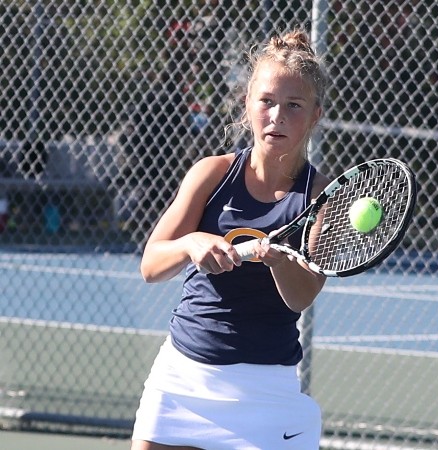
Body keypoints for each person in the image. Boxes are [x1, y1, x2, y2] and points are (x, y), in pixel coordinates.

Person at [131, 29, 330, 450]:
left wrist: (278, 260)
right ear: (247, 103)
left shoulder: (318, 197)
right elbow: (151, 266)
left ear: (315, 116)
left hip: (267, 391)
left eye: (294, 105)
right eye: (267, 101)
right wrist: (191, 243)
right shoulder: (211, 173)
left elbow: (302, 296)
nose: (277, 116)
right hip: (183, 377)